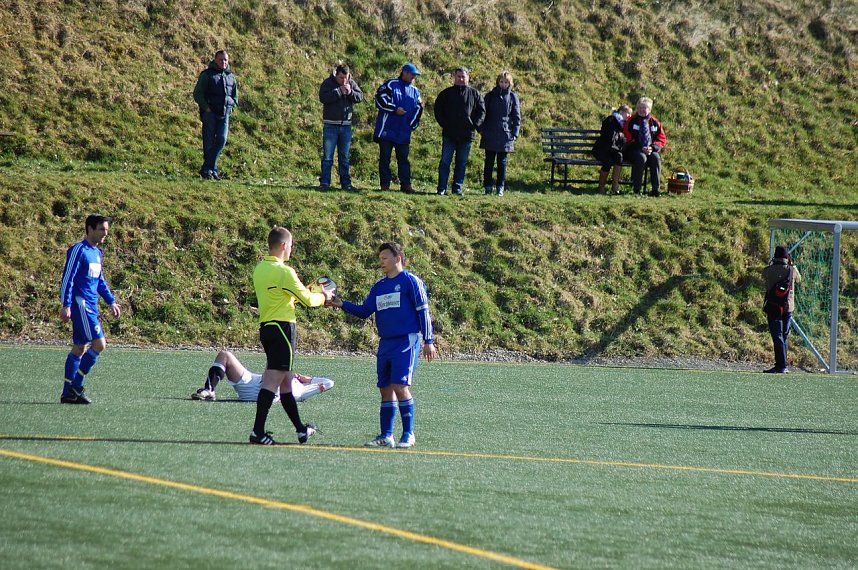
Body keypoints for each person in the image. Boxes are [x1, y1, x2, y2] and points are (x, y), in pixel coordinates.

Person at [329, 242, 437, 448]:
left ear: (397, 259)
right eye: (380, 259)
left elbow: (423, 311)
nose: (381, 262)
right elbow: (364, 311)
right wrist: (342, 304)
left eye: (385, 258)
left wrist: (428, 341)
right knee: (386, 389)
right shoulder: (379, 287)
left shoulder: (411, 282)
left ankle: (408, 434)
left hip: (406, 340)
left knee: (400, 386)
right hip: (386, 343)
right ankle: (386, 435)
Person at [249, 226, 333, 445]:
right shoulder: (285, 271)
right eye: (291, 245)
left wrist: (306, 294)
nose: (292, 249)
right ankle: (257, 432)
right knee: (272, 381)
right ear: (284, 245)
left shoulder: (260, 269)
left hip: (267, 327)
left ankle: (300, 430)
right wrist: (324, 297)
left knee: (286, 381)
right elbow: (307, 300)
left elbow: (282, 296)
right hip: (283, 328)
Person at [59, 214, 121, 404]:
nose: (105, 233)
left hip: (92, 306)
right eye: (102, 229)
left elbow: (99, 280)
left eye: (107, 230)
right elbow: (68, 278)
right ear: (90, 228)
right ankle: (77, 385)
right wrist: (66, 304)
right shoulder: (78, 250)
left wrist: (111, 301)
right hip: (81, 304)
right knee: (99, 344)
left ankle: (67, 393)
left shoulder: (97, 253)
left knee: (79, 347)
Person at [191, 349, 334, 402]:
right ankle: (209, 390)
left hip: (268, 391)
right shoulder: (292, 378)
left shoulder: (302, 390)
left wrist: (308, 379)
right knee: (224, 355)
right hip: (252, 383)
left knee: (277, 358)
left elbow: (329, 383)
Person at [434, 67, 485, 196]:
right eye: (459, 76)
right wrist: (445, 124)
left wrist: (475, 125)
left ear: (468, 78)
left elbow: (481, 111)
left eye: (463, 76)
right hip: (449, 135)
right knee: (445, 162)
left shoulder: (475, 94)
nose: (461, 79)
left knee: (461, 163)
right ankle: (441, 188)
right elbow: (438, 110)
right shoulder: (446, 93)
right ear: (454, 78)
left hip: (467, 135)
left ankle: (457, 188)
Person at [373, 63, 424, 193]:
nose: (413, 77)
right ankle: (385, 184)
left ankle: (406, 184)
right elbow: (380, 99)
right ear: (404, 72)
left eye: (415, 75)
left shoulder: (415, 91)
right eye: (412, 74)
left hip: (403, 131)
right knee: (385, 157)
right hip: (387, 129)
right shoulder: (391, 84)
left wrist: (411, 125)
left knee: (403, 159)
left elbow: (418, 109)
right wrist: (394, 109)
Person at [193, 50, 238, 180]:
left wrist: (231, 107)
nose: (223, 62)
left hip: (225, 114)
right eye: (221, 59)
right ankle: (211, 171)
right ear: (215, 60)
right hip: (210, 114)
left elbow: (234, 96)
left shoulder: (231, 77)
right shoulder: (207, 75)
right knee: (208, 143)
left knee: (221, 140)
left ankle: (207, 168)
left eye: (226, 60)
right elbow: (198, 93)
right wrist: (206, 108)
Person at [318, 63, 364, 191]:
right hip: (330, 125)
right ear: (336, 75)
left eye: (346, 77)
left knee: (344, 157)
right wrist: (338, 92)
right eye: (341, 78)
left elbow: (360, 97)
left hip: (346, 127)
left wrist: (350, 92)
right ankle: (325, 183)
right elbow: (323, 97)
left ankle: (346, 184)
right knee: (328, 157)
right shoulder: (328, 83)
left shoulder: (351, 83)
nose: (344, 81)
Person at [479, 71, 520, 197]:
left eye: (506, 82)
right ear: (498, 82)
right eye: (501, 82)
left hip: (505, 134)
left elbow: (516, 116)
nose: (503, 84)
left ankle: (500, 187)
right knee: (489, 162)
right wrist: (482, 129)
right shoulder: (490, 96)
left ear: (510, 83)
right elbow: (482, 113)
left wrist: (514, 133)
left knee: (502, 162)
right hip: (490, 133)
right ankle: (487, 186)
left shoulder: (513, 97)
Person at [762, 246, 802, 374]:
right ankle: (783, 365)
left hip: (774, 306)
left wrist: (771, 263)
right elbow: (799, 279)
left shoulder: (769, 270)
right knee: (784, 335)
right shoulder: (792, 270)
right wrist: (791, 265)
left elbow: (763, 274)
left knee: (777, 336)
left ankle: (781, 365)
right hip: (788, 307)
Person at [623, 97, 667, 196]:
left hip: (650, 149)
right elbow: (627, 136)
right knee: (641, 157)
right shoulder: (631, 121)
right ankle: (637, 189)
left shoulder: (655, 122)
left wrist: (653, 148)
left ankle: (656, 189)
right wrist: (641, 148)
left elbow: (662, 139)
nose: (642, 110)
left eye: (645, 108)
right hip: (633, 150)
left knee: (655, 158)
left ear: (649, 109)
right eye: (640, 107)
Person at [591, 105, 632, 194]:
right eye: (628, 113)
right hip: (602, 149)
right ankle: (601, 187)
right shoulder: (611, 120)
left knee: (619, 157)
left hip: (613, 150)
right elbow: (607, 136)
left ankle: (615, 186)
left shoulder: (625, 124)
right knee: (608, 161)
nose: (629, 116)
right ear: (621, 112)